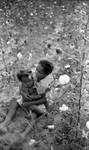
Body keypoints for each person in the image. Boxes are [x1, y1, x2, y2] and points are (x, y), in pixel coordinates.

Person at [0, 60, 54, 133]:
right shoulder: (32, 74)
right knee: (15, 101)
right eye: (36, 70)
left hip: (37, 101)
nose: (36, 73)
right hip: (28, 96)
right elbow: (22, 86)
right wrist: (23, 94)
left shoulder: (46, 84)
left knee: (35, 114)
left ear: (46, 75)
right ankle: (5, 123)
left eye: (40, 72)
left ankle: (24, 135)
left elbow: (43, 99)